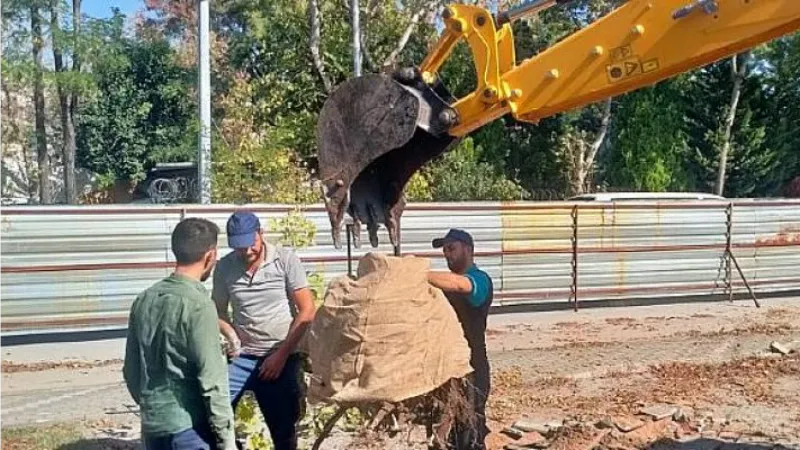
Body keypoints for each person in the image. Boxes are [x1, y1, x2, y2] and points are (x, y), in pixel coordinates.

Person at [123, 218, 236, 450]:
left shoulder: (144, 300)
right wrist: (228, 442)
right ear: (210, 256)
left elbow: (131, 371)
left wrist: (155, 409)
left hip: (154, 428)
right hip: (190, 431)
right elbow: (213, 383)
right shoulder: (199, 306)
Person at [212, 211, 317, 450]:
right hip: (241, 357)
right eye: (239, 247)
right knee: (214, 412)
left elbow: (307, 310)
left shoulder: (284, 259)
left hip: (280, 354)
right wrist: (231, 336)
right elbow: (217, 310)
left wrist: (281, 356)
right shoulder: (225, 267)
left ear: (260, 234)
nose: (246, 252)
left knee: (283, 426)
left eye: (250, 245)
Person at [427, 228, 494, 450]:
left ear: (468, 249)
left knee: (470, 433)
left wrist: (417, 274)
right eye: (445, 250)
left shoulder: (480, 279)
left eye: (452, 248)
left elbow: (460, 284)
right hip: (446, 368)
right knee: (448, 435)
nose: (447, 254)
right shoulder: (444, 285)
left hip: (472, 369)